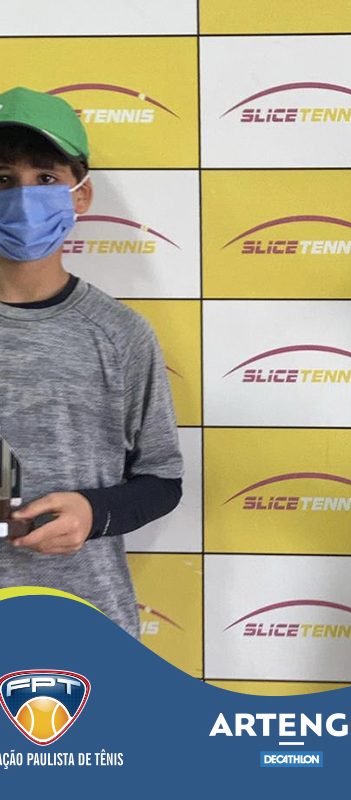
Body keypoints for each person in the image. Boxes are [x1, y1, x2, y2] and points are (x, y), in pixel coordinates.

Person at [0, 86, 183, 638]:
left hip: (86, 626)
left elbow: (162, 479)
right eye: (2, 179)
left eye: (45, 178)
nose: (23, 198)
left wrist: (92, 512)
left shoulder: (121, 334)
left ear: (80, 196)